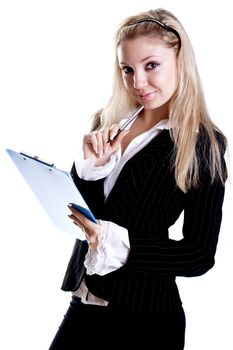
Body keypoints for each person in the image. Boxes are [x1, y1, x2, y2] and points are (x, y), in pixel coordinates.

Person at [49, 8, 227, 350]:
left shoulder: (202, 143)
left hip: (146, 319)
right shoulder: (108, 120)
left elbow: (199, 255)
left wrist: (122, 244)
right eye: (127, 69)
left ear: (180, 60)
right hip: (83, 302)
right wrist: (89, 171)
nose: (138, 82)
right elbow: (81, 218)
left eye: (151, 66)